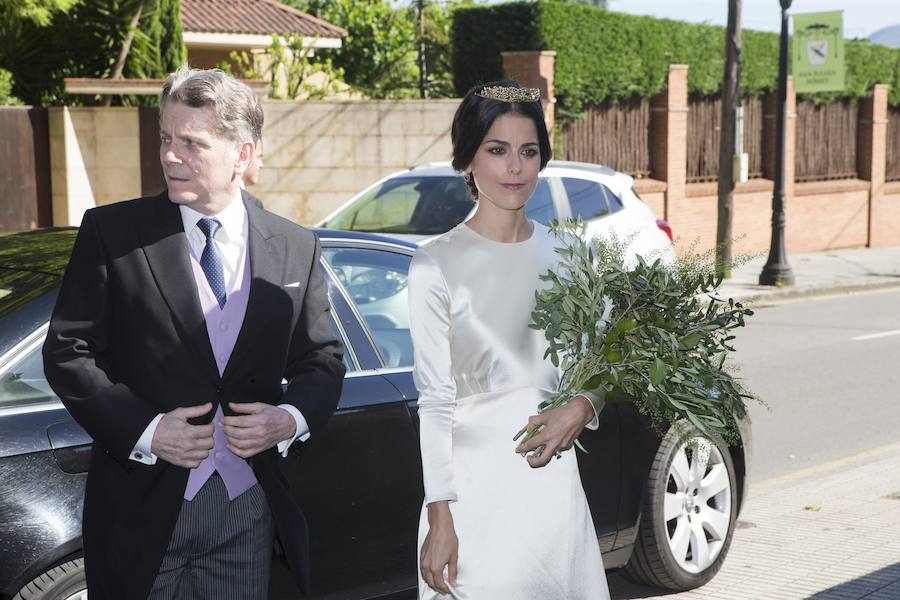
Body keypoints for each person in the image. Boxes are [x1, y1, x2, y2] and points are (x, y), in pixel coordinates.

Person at [42, 66, 345, 600]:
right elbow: (68, 351)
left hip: (247, 510)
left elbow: (320, 358)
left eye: (191, 143)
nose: (170, 156)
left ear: (243, 155)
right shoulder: (111, 233)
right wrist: (145, 430)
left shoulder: (296, 246)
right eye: (165, 139)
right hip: (141, 508)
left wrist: (289, 419)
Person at [409, 81, 612, 599]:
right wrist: (441, 517)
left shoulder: (570, 253)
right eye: (497, 151)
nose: (515, 168)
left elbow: (602, 361)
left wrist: (584, 405)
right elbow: (434, 402)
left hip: (553, 491)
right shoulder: (435, 264)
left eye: (528, 152)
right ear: (467, 161)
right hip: (472, 500)